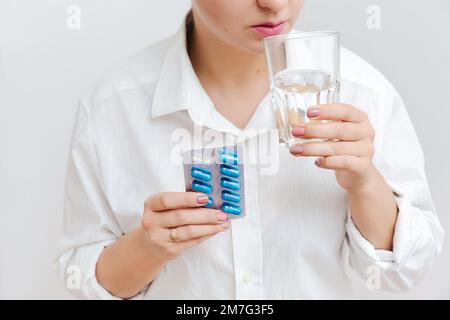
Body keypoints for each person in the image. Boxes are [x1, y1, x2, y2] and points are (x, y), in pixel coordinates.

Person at [57, 0, 444, 299]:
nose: (275, 3)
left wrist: (365, 183)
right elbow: (82, 277)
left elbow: (406, 271)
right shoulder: (112, 107)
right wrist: (147, 247)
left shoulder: (364, 92)